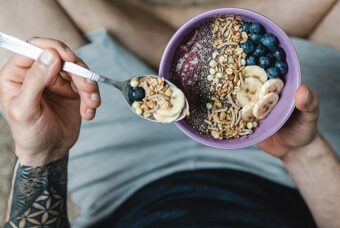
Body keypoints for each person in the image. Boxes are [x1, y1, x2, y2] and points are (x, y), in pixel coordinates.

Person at [1, 1, 340, 228]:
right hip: (279, 161)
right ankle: (185, 32)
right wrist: (302, 152)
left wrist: (43, 155)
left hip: (122, 173)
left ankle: (173, 35)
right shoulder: (293, 149)